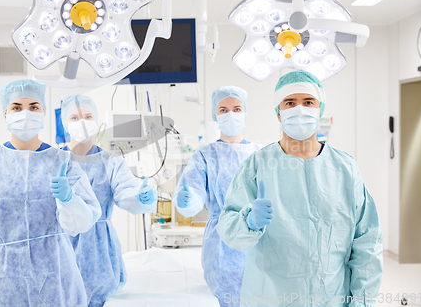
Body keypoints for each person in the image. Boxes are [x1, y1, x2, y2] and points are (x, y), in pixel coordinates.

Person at [217, 70, 383, 306]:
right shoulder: (257, 166)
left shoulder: (345, 169)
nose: (300, 109)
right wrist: (248, 222)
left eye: (308, 102)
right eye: (290, 103)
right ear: (278, 112)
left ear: (320, 109)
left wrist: (361, 302)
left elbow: (368, 243)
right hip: (270, 298)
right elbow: (229, 231)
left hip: (332, 298)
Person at [0, 80, 101, 307]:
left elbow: (82, 224)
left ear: (43, 112)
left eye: (34, 107)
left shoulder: (63, 162)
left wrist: (69, 201)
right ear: (5, 114)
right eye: (16, 107)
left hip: (54, 281)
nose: (25, 113)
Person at [60, 94, 157, 306]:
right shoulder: (54, 160)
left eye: (87, 116)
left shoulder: (111, 161)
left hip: (100, 250)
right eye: (74, 118)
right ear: (65, 124)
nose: (82, 122)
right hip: (61, 245)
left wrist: (139, 196)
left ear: (96, 121)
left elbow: (126, 192)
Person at [172, 86, 262, 307]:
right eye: (223, 109)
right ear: (215, 115)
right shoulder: (205, 155)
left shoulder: (260, 153)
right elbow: (193, 195)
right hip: (220, 242)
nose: (231, 114)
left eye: (236, 108)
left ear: (245, 113)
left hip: (256, 235)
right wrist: (187, 199)